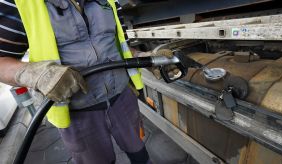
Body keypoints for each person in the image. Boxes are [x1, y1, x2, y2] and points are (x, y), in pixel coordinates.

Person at [0, 0, 168, 163]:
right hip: (78, 114)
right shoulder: (18, 2)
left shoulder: (110, 1)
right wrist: (36, 74)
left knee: (139, 154)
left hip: (123, 100)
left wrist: (143, 58)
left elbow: (117, 45)